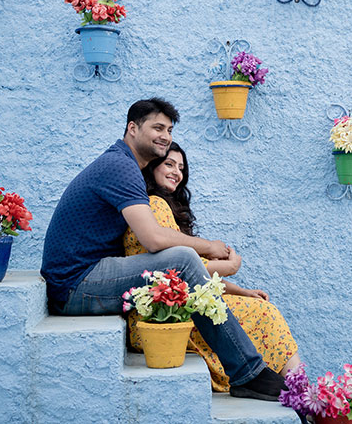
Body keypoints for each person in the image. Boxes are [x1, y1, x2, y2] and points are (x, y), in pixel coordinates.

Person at [40, 98, 287, 401]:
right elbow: (154, 239)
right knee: (182, 259)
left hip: (84, 276)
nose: (165, 136)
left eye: (169, 129)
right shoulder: (120, 166)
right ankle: (248, 373)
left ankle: (249, 372)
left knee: (182, 259)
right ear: (132, 128)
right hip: (74, 285)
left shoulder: (122, 164)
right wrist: (209, 247)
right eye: (157, 127)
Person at [124, 142, 301, 392]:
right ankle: (300, 394)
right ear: (152, 167)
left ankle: (297, 391)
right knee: (265, 315)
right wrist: (229, 267)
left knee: (262, 308)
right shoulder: (154, 204)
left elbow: (196, 276)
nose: (177, 172)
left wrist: (241, 290)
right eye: (169, 164)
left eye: (181, 167)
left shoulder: (163, 209)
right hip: (162, 316)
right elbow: (180, 272)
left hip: (176, 307)